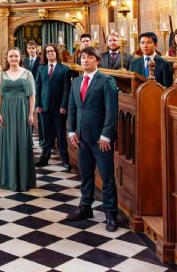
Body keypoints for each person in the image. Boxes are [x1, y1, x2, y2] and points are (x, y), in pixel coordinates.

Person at [66, 47, 119, 232]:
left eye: (89, 57)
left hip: (100, 139)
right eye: (83, 57)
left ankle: (111, 214)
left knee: (107, 177)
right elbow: (72, 108)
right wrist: (71, 131)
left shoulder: (106, 81)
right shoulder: (76, 81)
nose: (85, 60)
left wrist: (106, 134)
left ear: (98, 60)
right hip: (82, 139)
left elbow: (112, 111)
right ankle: (85, 207)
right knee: (86, 175)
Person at [0, 47, 36, 191]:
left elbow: (32, 96)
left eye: (16, 56)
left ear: (20, 58)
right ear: (7, 58)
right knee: (7, 142)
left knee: (23, 142)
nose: (13, 59)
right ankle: (8, 178)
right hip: (6, 110)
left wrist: (31, 114)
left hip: (23, 110)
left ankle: (23, 179)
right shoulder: (1, 75)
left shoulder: (27, 74)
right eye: (11, 56)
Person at [35, 43, 71, 171]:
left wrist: (64, 105)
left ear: (56, 53)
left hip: (59, 108)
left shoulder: (65, 69)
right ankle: (44, 158)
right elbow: (37, 88)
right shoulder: (41, 69)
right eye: (48, 51)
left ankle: (65, 159)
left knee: (61, 134)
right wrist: (37, 104)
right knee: (46, 133)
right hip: (44, 107)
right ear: (45, 54)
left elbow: (67, 90)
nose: (50, 53)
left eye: (52, 51)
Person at [23, 40, 43, 145]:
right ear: (27, 49)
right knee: (28, 114)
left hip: (38, 90)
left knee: (39, 115)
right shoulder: (25, 61)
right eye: (29, 48)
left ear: (37, 49)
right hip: (27, 91)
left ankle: (42, 139)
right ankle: (28, 138)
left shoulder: (41, 60)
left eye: (33, 48)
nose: (31, 50)